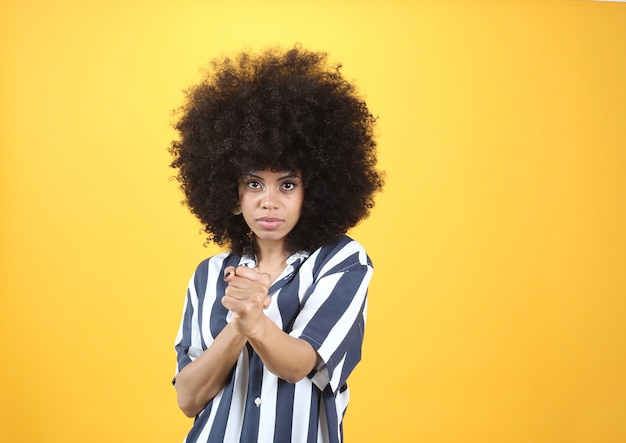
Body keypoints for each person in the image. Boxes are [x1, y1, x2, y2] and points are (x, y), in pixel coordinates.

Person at [169, 45, 384, 443]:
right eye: (254, 184)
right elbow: (188, 397)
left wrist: (253, 321)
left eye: (287, 184)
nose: (269, 200)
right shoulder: (209, 275)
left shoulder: (341, 261)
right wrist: (237, 327)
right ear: (232, 193)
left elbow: (300, 364)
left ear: (313, 191)